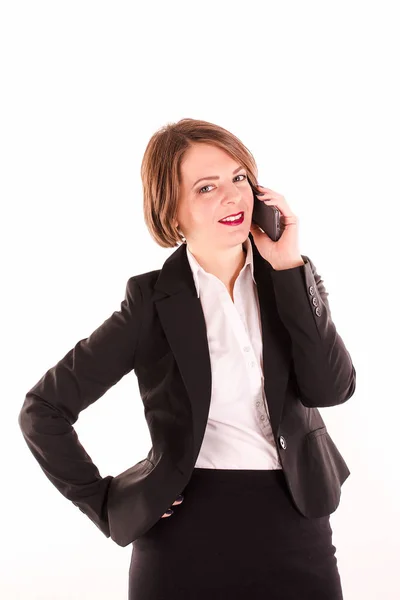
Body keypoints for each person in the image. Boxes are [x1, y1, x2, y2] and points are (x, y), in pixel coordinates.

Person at [19, 118, 356, 599]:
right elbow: (42, 411)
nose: (232, 197)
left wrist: (288, 267)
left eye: (239, 178)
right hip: (185, 535)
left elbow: (331, 389)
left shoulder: (291, 278)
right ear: (172, 213)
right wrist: (105, 503)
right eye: (206, 187)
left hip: (296, 521)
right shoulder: (150, 302)